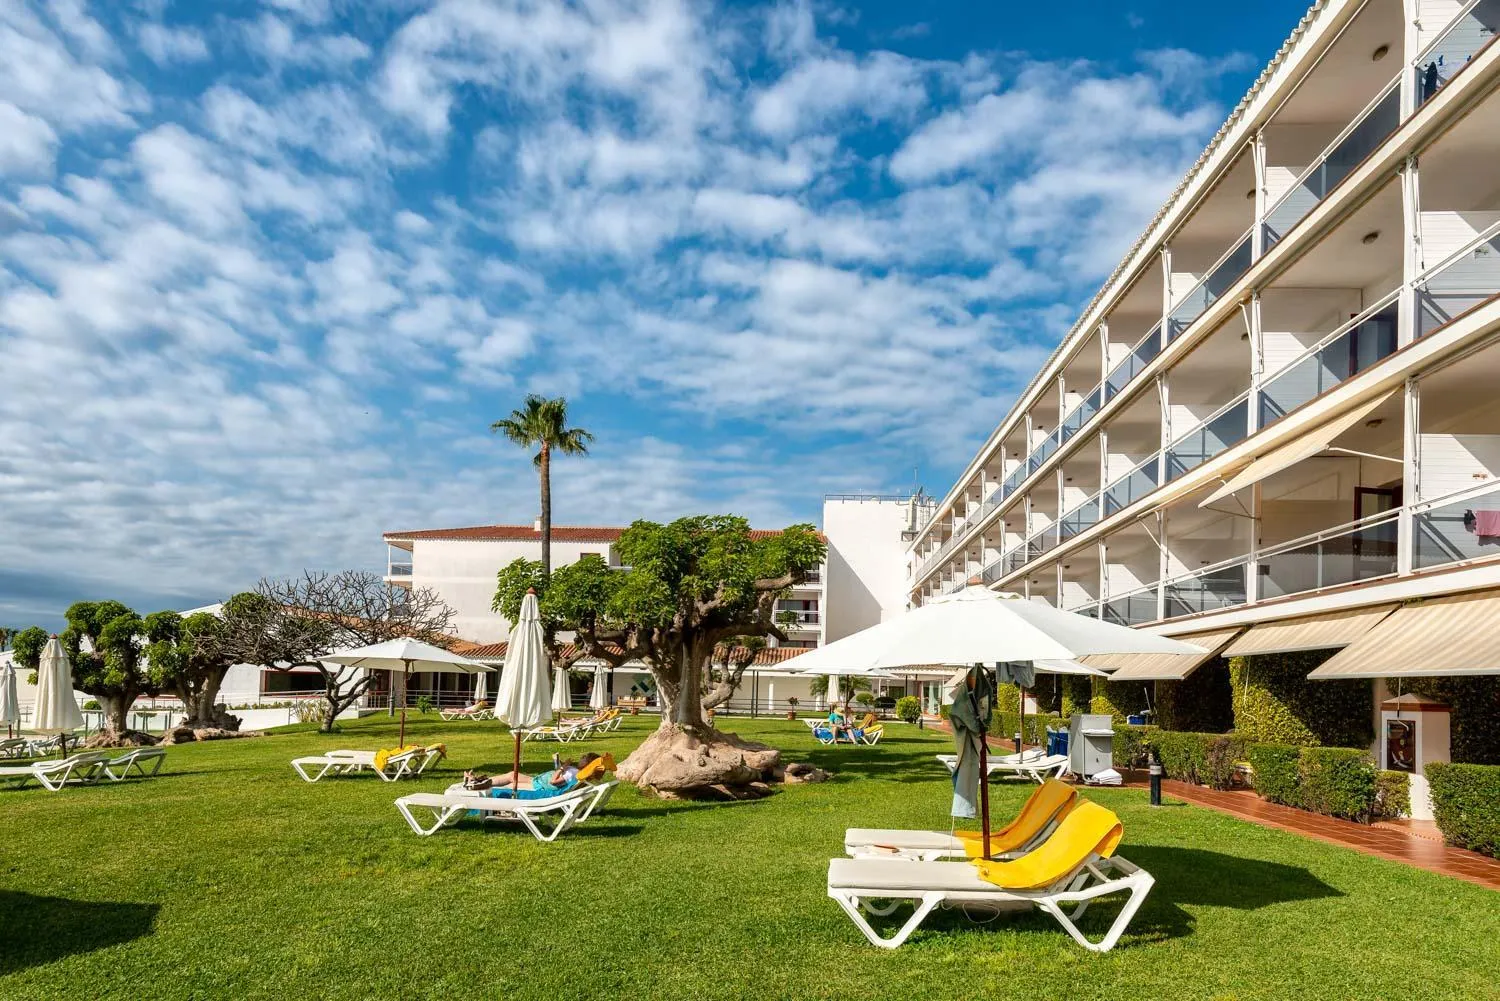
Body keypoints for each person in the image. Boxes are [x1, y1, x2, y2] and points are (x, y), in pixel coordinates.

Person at [463, 752, 607, 800]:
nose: (580, 758)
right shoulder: (576, 772)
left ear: (587, 763)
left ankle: (476, 785)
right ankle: (476, 781)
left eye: (583, 757)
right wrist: (561, 765)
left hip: (541, 787)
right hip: (538, 781)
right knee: (512, 775)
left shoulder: (574, 773)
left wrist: (562, 768)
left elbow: (554, 781)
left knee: (509, 785)